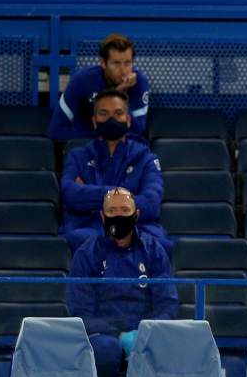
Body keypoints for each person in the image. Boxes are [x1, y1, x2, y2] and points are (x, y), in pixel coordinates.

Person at [67, 187, 178, 377]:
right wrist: (118, 335)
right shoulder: (86, 253)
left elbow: (167, 303)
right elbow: (80, 312)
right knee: (107, 350)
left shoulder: (154, 250)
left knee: (165, 347)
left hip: (145, 329)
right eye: (112, 210)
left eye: (124, 210)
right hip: (104, 334)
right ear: (102, 216)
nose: (118, 216)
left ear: (136, 214)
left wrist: (145, 332)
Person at [59, 89, 169, 254]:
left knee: (158, 245)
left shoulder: (146, 159)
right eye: (104, 113)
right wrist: (124, 196)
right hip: (87, 229)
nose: (111, 119)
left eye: (118, 113)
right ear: (95, 121)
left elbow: (151, 203)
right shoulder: (78, 156)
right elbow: (70, 195)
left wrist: (94, 199)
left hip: (138, 229)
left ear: (128, 120)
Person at [49, 33, 150, 140]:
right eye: (116, 63)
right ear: (103, 63)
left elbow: (137, 130)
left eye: (128, 63)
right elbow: (56, 130)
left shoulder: (139, 81)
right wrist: (99, 140)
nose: (123, 70)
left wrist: (120, 95)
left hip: (122, 150)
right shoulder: (82, 80)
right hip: (87, 146)